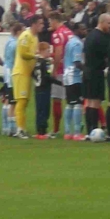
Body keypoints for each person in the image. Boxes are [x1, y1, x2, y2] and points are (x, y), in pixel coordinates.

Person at [13, 15, 44, 140]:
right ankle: (19, 129)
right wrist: (36, 56)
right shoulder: (26, 36)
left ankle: (22, 128)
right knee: (21, 101)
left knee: (25, 102)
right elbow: (23, 53)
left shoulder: (35, 37)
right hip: (20, 72)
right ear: (34, 24)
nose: (42, 26)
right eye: (40, 23)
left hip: (27, 73)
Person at [83, 14, 110, 136]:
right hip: (96, 72)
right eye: (109, 23)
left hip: (87, 71)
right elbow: (108, 55)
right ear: (102, 22)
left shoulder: (90, 35)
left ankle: (89, 130)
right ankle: (94, 130)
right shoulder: (102, 37)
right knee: (95, 102)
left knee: (90, 102)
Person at [49, 11, 73, 139]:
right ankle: (74, 128)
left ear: (54, 20)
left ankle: (56, 129)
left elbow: (58, 52)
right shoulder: (69, 32)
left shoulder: (57, 34)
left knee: (57, 99)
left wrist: (54, 69)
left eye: (50, 21)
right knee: (72, 100)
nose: (49, 24)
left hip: (61, 70)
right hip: (71, 69)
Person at [63, 23, 87, 141]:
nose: (85, 31)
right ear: (76, 30)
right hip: (74, 76)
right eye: (82, 29)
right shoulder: (77, 43)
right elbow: (77, 62)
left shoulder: (70, 41)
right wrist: (86, 70)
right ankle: (77, 132)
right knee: (78, 103)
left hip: (67, 75)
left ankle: (67, 132)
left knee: (70, 103)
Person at [0, 22, 23, 136]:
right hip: (13, 73)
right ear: (18, 32)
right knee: (12, 102)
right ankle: (12, 128)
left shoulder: (9, 41)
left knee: (8, 101)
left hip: (7, 71)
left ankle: (5, 127)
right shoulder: (15, 44)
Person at [33, 42, 54, 139]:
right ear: (42, 51)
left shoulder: (37, 62)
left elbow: (32, 73)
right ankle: (43, 131)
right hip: (45, 88)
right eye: (48, 51)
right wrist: (58, 82)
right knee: (45, 110)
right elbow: (47, 76)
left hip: (37, 88)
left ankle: (39, 131)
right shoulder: (45, 63)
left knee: (39, 110)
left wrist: (37, 80)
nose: (49, 53)